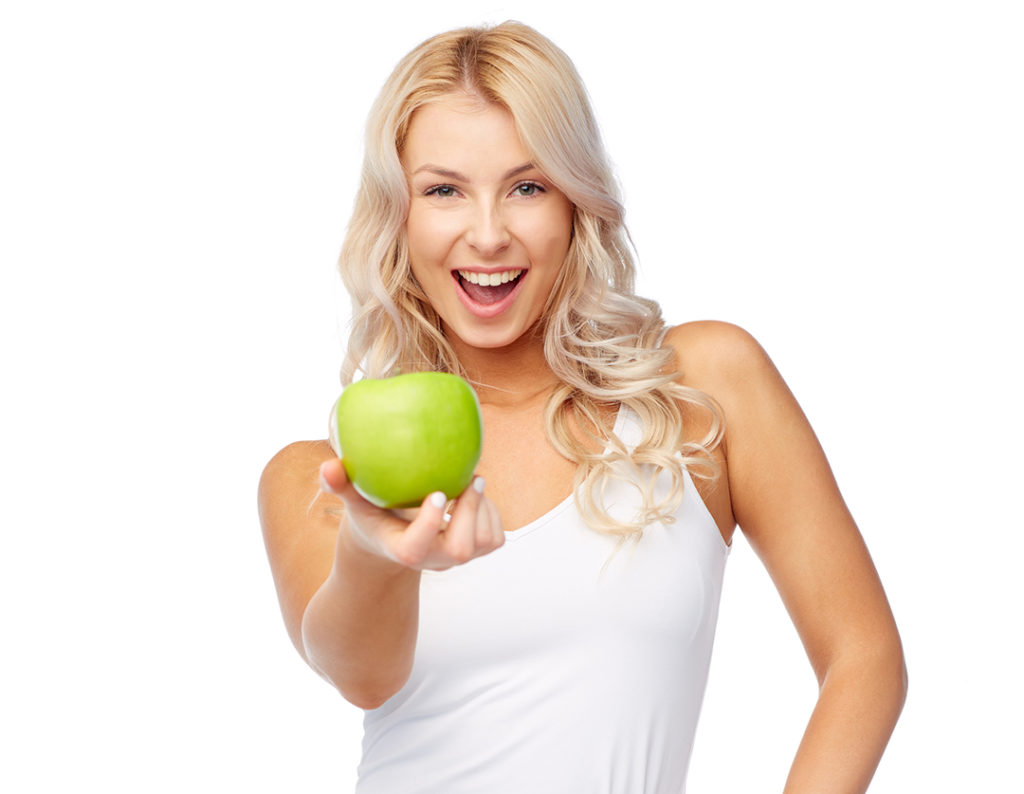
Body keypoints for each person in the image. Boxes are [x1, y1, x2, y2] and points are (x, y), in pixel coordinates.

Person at [258, 21, 907, 793]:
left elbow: (864, 657)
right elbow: (358, 674)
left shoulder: (700, 389)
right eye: (443, 191)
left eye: (527, 187)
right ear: (399, 215)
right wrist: (377, 552)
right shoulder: (326, 475)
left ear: (575, 202)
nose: (489, 234)